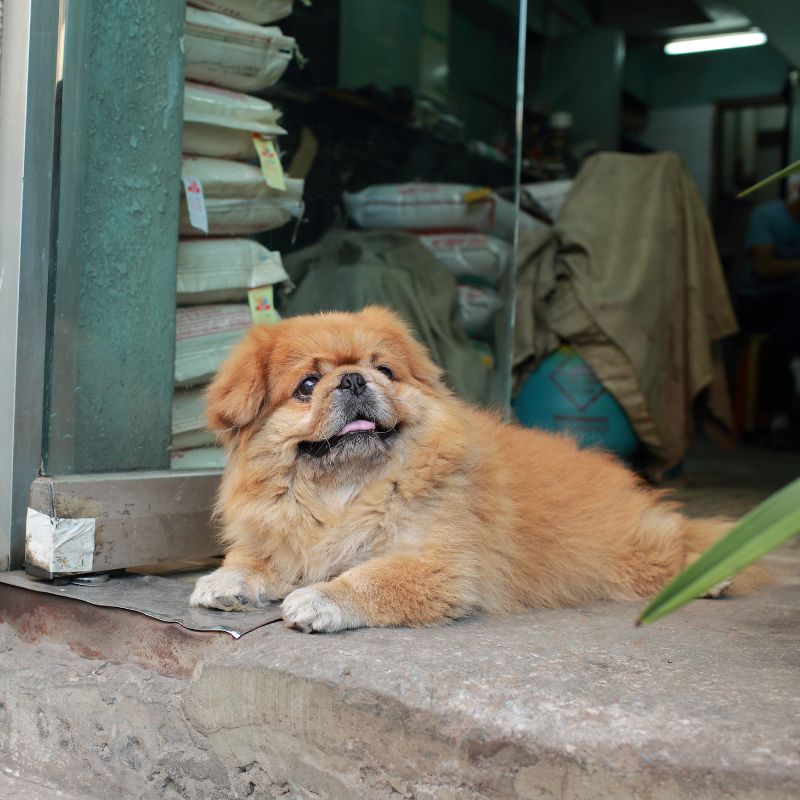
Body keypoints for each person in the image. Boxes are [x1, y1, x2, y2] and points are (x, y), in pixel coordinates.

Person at [737, 195, 800, 447]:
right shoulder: (766, 216)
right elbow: (763, 267)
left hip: (790, 311)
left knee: (787, 328)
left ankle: (782, 415)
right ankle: (780, 414)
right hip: (757, 301)